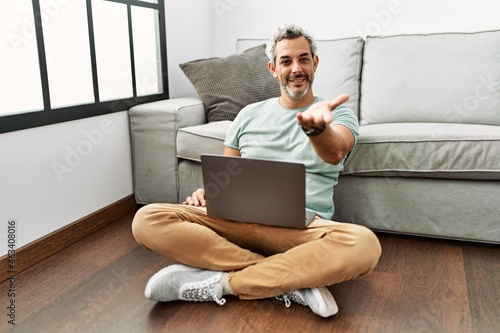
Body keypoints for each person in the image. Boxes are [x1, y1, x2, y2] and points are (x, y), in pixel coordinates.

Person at [132, 24, 382, 318]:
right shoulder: (247, 115)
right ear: (273, 69)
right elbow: (226, 175)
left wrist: (317, 130)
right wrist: (207, 192)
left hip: (300, 227)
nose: (296, 68)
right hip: (235, 221)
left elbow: (335, 150)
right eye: (286, 61)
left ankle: (225, 283)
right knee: (147, 218)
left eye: (303, 59)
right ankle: (290, 278)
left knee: (364, 246)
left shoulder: (335, 114)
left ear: (315, 63)